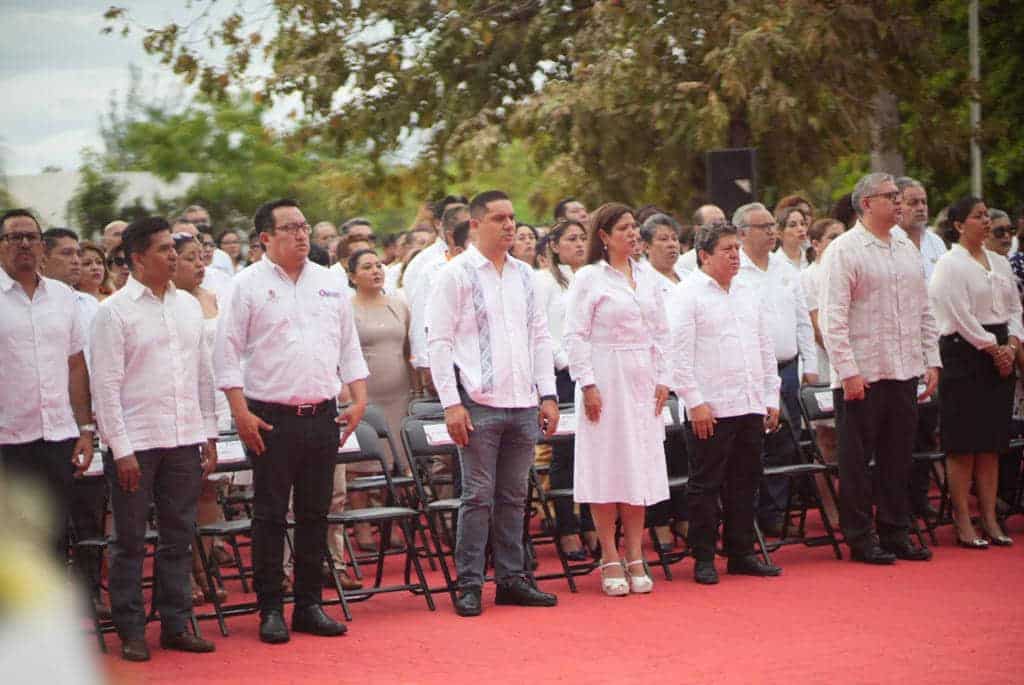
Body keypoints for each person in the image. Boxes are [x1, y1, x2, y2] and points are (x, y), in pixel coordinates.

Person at [215, 198, 368, 644]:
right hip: (269, 417)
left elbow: (348, 346)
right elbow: (225, 354)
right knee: (269, 515)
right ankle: (270, 609)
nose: (302, 235)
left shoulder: (329, 282)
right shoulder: (245, 285)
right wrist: (239, 411)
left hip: (322, 414)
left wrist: (359, 398)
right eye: (290, 228)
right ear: (265, 237)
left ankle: (308, 604)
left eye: (304, 227)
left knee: (315, 513)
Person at [90, 217, 219, 661]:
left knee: (178, 536)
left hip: (183, 438)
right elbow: (104, 387)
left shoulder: (186, 306)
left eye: (173, 248)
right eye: (164, 249)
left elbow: (202, 376)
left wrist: (208, 432)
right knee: (128, 541)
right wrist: (120, 450)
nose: (173, 256)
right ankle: (130, 630)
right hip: (135, 445)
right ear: (138, 258)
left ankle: (176, 624)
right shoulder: (113, 312)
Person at [426, 189, 560, 617]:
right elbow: (439, 342)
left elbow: (540, 336)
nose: (509, 226)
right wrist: (451, 403)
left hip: (522, 401)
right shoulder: (456, 274)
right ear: (477, 223)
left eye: (513, 218)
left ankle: (511, 578)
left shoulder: (525, 275)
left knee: (514, 496)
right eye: (500, 218)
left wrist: (549, 393)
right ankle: (468, 583)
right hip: (478, 402)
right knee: (478, 496)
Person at [819, 172, 940, 564]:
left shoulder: (904, 246)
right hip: (863, 374)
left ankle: (895, 530)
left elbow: (923, 309)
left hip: (903, 369)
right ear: (867, 203)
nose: (899, 201)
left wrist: (931, 360)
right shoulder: (845, 250)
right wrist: (849, 371)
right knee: (856, 460)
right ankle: (860, 536)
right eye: (890, 196)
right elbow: (833, 318)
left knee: (897, 457)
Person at [564, 203, 670, 596]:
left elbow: (662, 331)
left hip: (643, 378)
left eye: (634, 227)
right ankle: (609, 554)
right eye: (623, 228)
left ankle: (636, 553)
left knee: (639, 465)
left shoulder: (648, 276)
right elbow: (574, 335)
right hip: (605, 376)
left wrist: (664, 378)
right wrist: (588, 383)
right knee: (607, 465)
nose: (632, 233)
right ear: (604, 236)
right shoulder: (589, 278)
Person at [668, 222, 783, 585]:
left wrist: (770, 396)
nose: (736, 256)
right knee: (705, 485)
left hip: (748, 402)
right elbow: (678, 355)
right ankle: (703, 557)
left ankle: (741, 552)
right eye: (727, 250)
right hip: (711, 408)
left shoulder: (747, 292)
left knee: (746, 481)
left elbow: (764, 348)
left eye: (737, 248)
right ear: (704, 256)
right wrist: (695, 401)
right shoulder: (687, 294)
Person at [0, 210, 95, 564]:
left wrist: (85, 428)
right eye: (14, 237)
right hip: (8, 439)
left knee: (54, 536)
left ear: (42, 246)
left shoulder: (63, 297)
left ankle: (48, 617)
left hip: (58, 436)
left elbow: (75, 365)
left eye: (31, 237)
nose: (24, 244)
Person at [930, 197, 1021, 547]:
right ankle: (962, 519)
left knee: (991, 444)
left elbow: (1013, 307)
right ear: (958, 225)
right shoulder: (949, 264)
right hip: (965, 352)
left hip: (1001, 350)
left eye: (987, 215)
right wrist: (990, 347)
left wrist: (1010, 346)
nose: (986, 222)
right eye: (978, 217)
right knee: (964, 444)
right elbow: (957, 311)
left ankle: (990, 517)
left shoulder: (999, 262)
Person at [732, 202, 817, 536]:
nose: (771, 232)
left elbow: (802, 321)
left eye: (772, 226)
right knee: (752, 445)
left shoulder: (785, 270)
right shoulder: (735, 269)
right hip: (750, 372)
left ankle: (775, 515)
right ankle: (748, 516)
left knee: (786, 443)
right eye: (763, 226)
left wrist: (809, 365)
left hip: (788, 368)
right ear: (741, 234)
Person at [345, 248, 414, 551]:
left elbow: (409, 347)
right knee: (361, 463)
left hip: (399, 391)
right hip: (364, 392)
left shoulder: (398, 305)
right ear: (352, 276)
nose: (376, 270)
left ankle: (391, 525)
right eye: (367, 266)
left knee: (397, 459)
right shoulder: (346, 308)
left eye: (379, 265)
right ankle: (361, 524)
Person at [534, 219, 594, 560]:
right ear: (554, 246)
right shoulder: (543, 282)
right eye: (571, 239)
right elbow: (541, 330)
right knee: (563, 455)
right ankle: (567, 528)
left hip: (593, 374)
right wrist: (566, 361)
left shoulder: (593, 277)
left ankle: (590, 524)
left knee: (591, 453)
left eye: (583, 238)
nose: (578, 244)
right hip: (562, 375)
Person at [890, 177, 947, 520]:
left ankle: (921, 496)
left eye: (923, 201)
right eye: (912, 202)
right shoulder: (891, 243)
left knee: (927, 427)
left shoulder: (936, 245)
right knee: (901, 433)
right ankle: (898, 504)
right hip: (900, 346)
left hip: (932, 342)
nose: (920, 208)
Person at [639, 213, 690, 548]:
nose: (671, 245)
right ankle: (658, 525)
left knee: (683, 455)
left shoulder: (686, 278)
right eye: (662, 239)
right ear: (645, 246)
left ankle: (685, 519)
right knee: (657, 457)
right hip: (655, 380)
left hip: (686, 379)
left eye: (674, 238)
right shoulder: (642, 281)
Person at [408, 203, 470, 392]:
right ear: (451, 233)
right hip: (445, 358)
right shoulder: (426, 265)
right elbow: (419, 317)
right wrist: (425, 364)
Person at [675, 204, 726, 279]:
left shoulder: (738, 257)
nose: (721, 228)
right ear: (698, 229)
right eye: (714, 224)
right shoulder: (684, 264)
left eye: (723, 223)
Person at [774, 206, 810, 271]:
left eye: (802, 224)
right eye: (792, 225)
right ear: (779, 233)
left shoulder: (812, 257)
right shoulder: (774, 263)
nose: (800, 229)